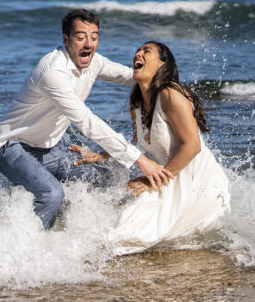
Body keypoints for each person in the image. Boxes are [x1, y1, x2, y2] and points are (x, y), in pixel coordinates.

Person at [0, 9, 173, 229]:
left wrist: (170, 90)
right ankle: (30, 248)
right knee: (52, 194)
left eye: (94, 37)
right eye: (80, 37)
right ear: (66, 40)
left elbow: (130, 77)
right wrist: (140, 159)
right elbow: (86, 121)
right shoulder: (53, 72)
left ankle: (93, 231)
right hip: (11, 147)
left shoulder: (94, 62)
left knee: (104, 179)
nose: (88, 44)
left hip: (52, 147)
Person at [72, 41, 230, 254]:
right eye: (138, 50)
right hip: (167, 176)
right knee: (121, 227)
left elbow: (192, 146)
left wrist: (149, 181)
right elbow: (138, 146)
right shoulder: (136, 102)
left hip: (196, 180)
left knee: (125, 235)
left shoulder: (171, 94)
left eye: (147, 51)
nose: (138, 53)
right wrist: (100, 156)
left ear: (162, 65)